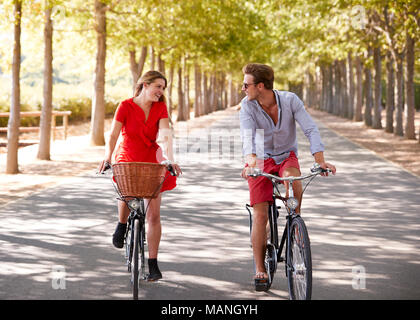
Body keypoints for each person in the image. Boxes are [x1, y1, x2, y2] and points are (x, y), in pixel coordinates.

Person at [239, 63, 336, 290]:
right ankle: (260, 269)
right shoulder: (248, 106)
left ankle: (295, 225)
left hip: (286, 156)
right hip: (260, 159)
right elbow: (247, 137)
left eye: (246, 84)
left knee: (294, 182)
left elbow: (310, 129)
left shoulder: (290, 100)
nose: (242, 88)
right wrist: (251, 162)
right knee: (260, 215)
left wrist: (319, 161)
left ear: (260, 86)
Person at [98, 70, 182, 282]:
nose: (161, 92)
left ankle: (152, 263)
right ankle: (122, 223)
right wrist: (108, 157)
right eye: (158, 87)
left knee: (153, 214)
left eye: (163, 88)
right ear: (145, 85)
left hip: (151, 153)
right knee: (126, 186)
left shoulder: (160, 107)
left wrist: (169, 159)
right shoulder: (125, 105)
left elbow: (164, 135)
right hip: (128, 151)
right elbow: (114, 135)